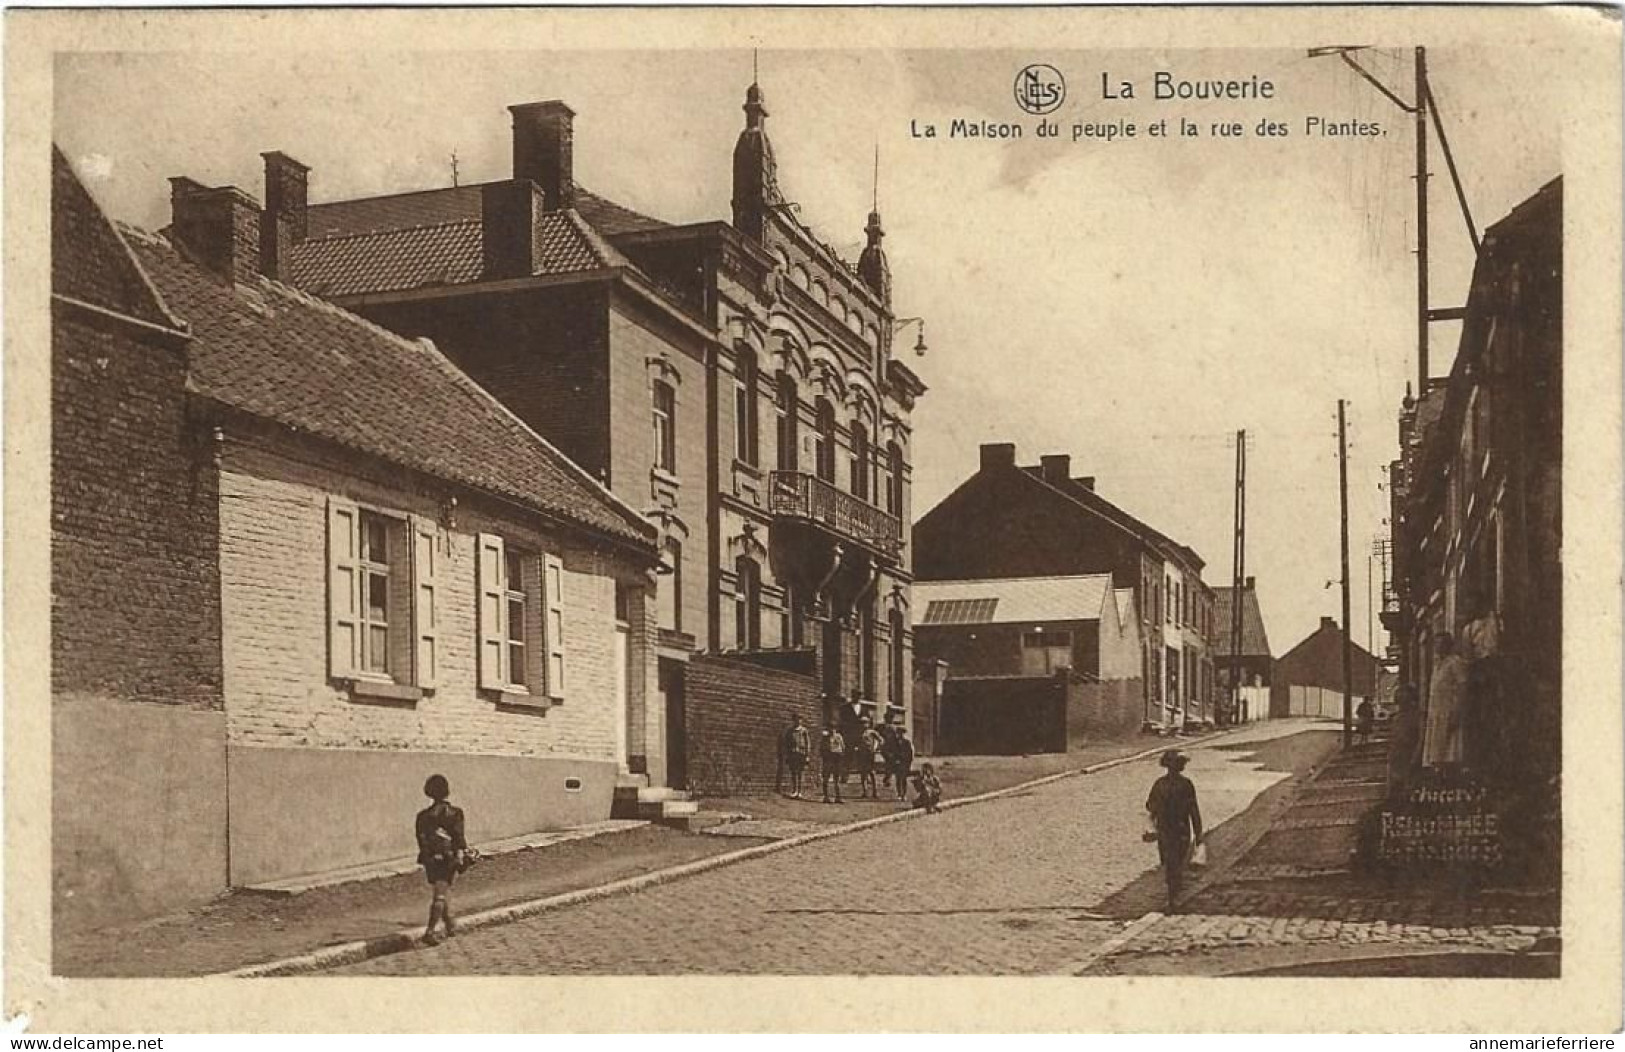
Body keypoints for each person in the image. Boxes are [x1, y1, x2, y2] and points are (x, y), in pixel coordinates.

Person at [1145, 749, 1203, 911]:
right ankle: (1174, 896)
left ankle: (1172, 896)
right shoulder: (1186, 784)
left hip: (1165, 829)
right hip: (1182, 829)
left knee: (1170, 863)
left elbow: (1150, 805)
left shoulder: (1159, 784)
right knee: (1177, 862)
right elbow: (1193, 810)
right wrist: (1199, 834)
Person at [414, 773, 467, 945]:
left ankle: (450, 923)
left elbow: (420, 839)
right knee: (440, 894)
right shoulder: (455, 813)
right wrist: (462, 853)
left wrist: (428, 854)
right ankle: (430, 931)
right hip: (448, 858)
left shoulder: (422, 816)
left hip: (431, 858)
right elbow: (459, 837)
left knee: (440, 889)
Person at [1423, 634, 1469, 768]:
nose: (1438, 647)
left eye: (1441, 644)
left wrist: (1457, 711)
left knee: (1450, 751)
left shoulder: (1455, 662)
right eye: (1436, 644)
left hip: (1449, 711)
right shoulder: (1437, 664)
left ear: (1448, 646)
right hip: (1437, 712)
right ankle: (1440, 776)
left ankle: (1450, 779)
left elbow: (1463, 687)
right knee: (1437, 753)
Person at [1387, 683, 1422, 802]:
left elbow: (1420, 739)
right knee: (1394, 788)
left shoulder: (1416, 717)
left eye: (1404, 701)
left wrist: (1415, 757)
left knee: (1409, 788)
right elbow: (1394, 739)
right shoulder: (1396, 718)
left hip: (1409, 755)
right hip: (1397, 756)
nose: (1401, 705)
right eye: (1399, 701)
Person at [781, 714, 811, 799]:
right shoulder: (790, 731)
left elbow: (807, 743)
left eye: (800, 719)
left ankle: (800, 791)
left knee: (800, 773)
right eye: (796, 719)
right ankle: (794, 791)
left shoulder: (804, 731)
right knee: (793, 772)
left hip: (801, 753)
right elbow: (786, 743)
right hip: (793, 753)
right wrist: (787, 754)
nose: (798, 721)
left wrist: (807, 755)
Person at [855, 717, 884, 799]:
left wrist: (876, 748)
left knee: (871, 772)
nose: (863, 725)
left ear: (868, 723)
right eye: (862, 723)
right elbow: (857, 742)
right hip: (861, 754)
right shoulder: (859, 732)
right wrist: (857, 747)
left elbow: (881, 740)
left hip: (870, 754)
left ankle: (875, 791)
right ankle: (865, 791)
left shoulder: (872, 732)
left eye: (865, 723)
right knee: (863, 773)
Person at [820, 723, 847, 804]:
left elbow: (843, 747)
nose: (832, 730)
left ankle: (838, 797)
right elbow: (822, 748)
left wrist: (841, 754)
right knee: (826, 778)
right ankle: (826, 797)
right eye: (830, 728)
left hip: (837, 757)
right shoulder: (825, 737)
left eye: (834, 728)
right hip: (828, 757)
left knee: (836, 778)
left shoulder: (839, 736)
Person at [890, 726, 916, 801]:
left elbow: (910, 753)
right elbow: (892, 752)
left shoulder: (907, 742)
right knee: (898, 779)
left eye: (901, 733)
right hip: (897, 762)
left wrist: (908, 763)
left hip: (904, 762)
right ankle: (899, 794)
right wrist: (894, 759)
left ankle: (904, 794)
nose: (900, 735)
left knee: (903, 778)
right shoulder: (894, 742)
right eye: (898, 733)